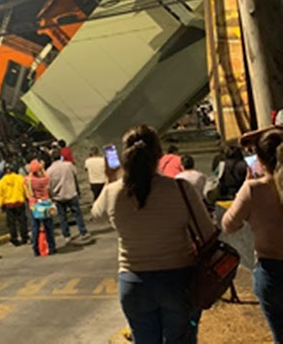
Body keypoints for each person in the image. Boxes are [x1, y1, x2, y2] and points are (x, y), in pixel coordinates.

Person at [92, 125, 215, 343]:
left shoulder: (113, 193)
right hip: (179, 280)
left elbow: (97, 215)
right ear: (159, 155)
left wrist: (110, 179)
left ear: (124, 158)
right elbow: (208, 233)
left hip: (133, 281)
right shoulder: (180, 189)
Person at [222, 130, 283, 342]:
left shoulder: (254, 189)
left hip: (271, 270)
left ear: (259, 159)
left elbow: (228, 225)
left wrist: (245, 190)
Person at [47, 150, 91, 243]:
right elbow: (75, 176)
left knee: (62, 217)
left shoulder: (49, 171)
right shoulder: (69, 165)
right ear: (61, 156)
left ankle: (66, 235)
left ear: (51, 158)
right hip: (71, 193)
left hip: (58, 196)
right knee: (77, 214)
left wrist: (51, 197)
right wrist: (78, 190)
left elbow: (49, 186)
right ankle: (83, 232)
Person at [24, 159, 56, 256]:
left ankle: (36, 249)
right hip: (45, 204)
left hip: (34, 206)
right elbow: (47, 177)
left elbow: (26, 186)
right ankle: (51, 247)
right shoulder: (44, 179)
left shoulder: (27, 180)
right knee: (48, 226)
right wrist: (42, 168)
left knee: (35, 227)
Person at [0, 163, 28, 246]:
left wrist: (1, 204)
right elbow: (25, 189)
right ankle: (24, 237)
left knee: (11, 223)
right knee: (22, 221)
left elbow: (0, 194)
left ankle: (14, 239)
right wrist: (27, 197)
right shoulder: (19, 178)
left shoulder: (2, 181)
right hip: (19, 202)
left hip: (9, 204)